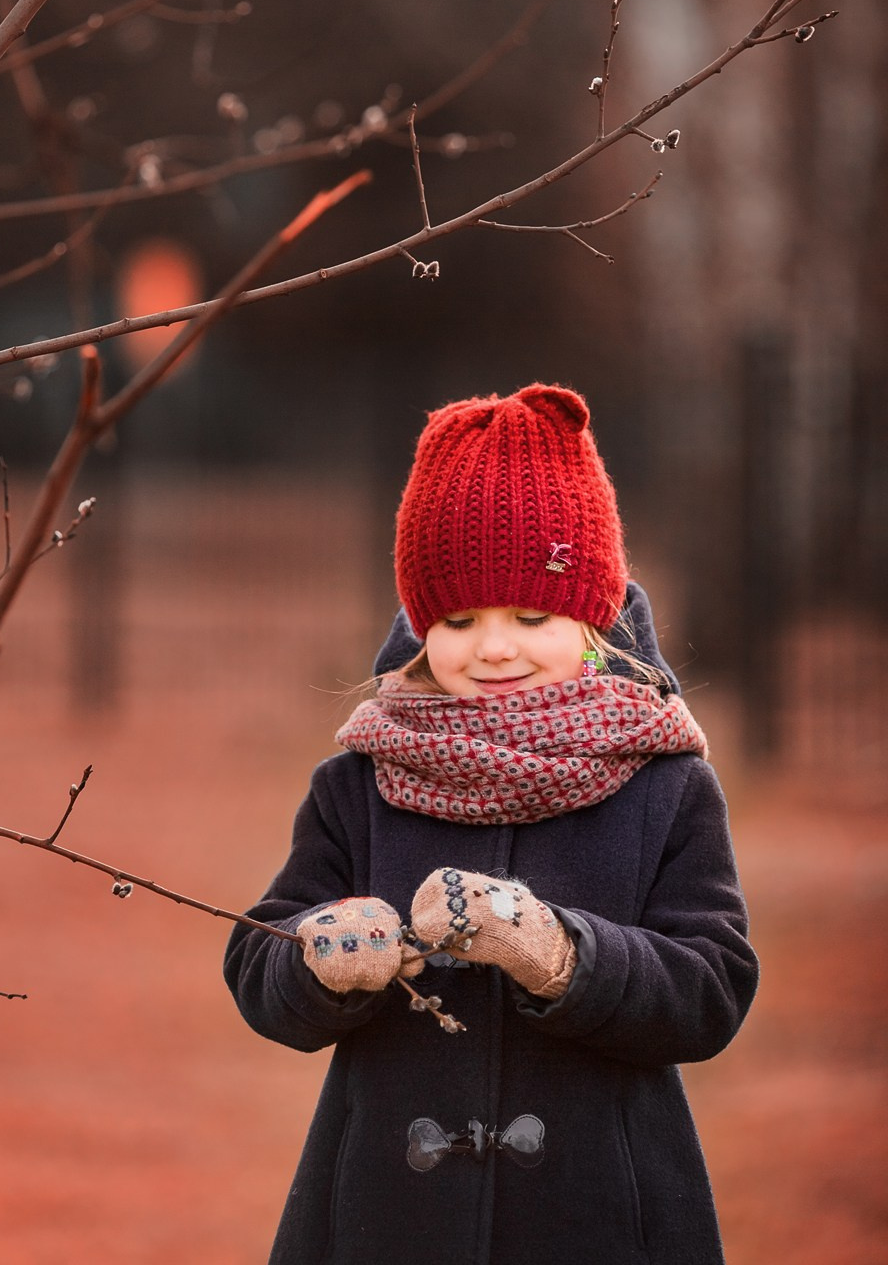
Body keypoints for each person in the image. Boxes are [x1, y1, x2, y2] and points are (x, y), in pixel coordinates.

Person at [224, 383, 758, 1265]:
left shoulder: (665, 784)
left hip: (605, 1218)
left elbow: (712, 988)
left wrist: (563, 957)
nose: (495, 646)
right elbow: (257, 958)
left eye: (533, 615)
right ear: (419, 624)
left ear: (592, 619)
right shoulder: (359, 782)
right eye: (458, 619)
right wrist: (314, 957)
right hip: (384, 1221)